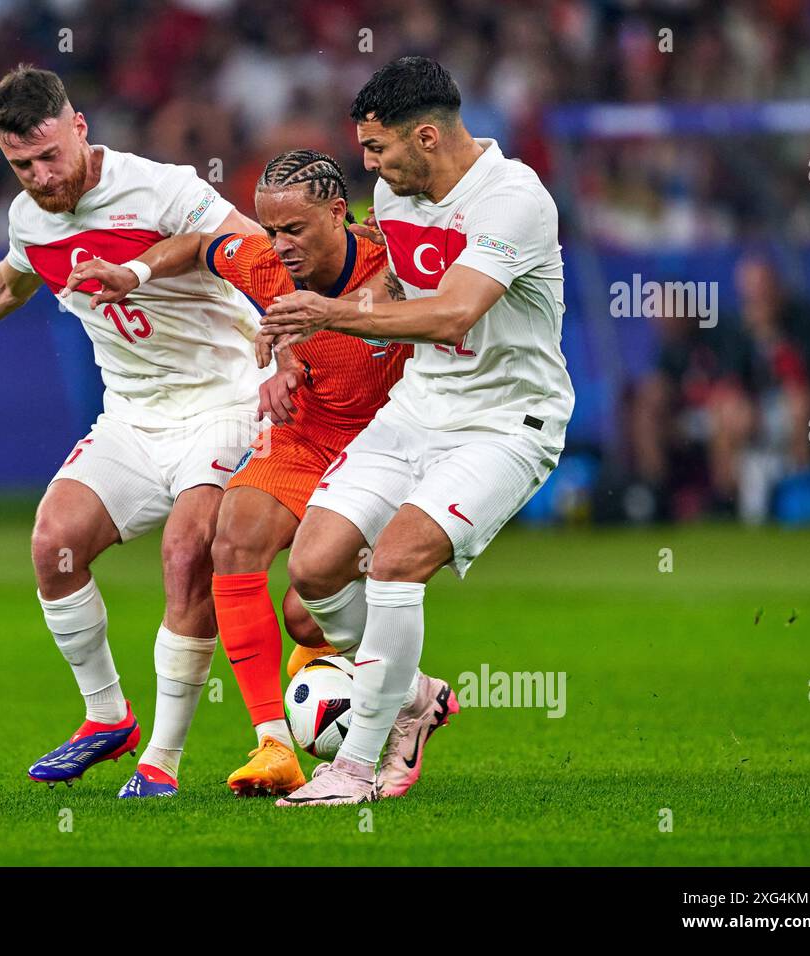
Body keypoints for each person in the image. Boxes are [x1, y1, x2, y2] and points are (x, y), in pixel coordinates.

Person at [0, 65, 265, 799]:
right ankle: (107, 718)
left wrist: (139, 270)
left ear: (79, 127)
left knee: (186, 552)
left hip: (226, 398)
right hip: (135, 415)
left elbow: (245, 241)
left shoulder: (159, 186)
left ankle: (162, 765)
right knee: (55, 544)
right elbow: (11, 281)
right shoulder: (29, 218)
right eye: (22, 166)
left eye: (51, 156)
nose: (43, 178)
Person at [64, 149, 456, 799]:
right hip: (306, 436)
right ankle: (275, 743)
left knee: (306, 615)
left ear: (339, 213)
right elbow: (198, 245)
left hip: (391, 449)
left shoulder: (398, 261)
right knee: (231, 543)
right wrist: (133, 273)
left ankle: (411, 694)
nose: (278, 245)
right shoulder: (265, 261)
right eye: (270, 229)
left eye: (294, 230)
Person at [258, 56, 574, 806]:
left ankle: (356, 769)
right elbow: (400, 285)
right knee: (312, 570)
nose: (367, 163)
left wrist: (327, 312)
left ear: (426, 136)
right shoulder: (392, 194)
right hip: (419, 407)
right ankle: (411, 695)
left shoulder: (512, 200)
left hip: (505, 422)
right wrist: (305, 338)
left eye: (377, 148)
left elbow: (453, 311)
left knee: (396, 562)